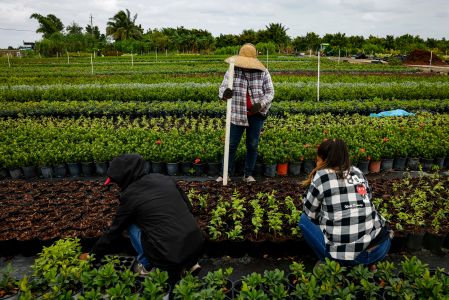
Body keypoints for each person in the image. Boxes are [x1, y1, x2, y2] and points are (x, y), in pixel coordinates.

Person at [80, 154, 204, 276]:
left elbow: (113, 232)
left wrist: (93, 257)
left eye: (117, 182)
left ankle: (146, 266)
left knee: (130, 224)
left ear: (124, 178)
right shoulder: (164, 178)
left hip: (169, 256)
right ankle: (191, 264)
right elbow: (189, 207)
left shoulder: (131, 196)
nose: (117, 186)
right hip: (197, 244)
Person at [299, 139, 392, 267]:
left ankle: (331, 265)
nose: (317, 163)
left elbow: (310, 213)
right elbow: (367, 197)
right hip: (380, 247)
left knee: (304, 220)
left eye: (318, 159)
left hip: (346, 257)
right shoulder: (357, 171)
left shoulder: (322, 176)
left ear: (324, 160)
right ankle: (370, 264)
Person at [217, 43, 274, 183]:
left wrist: (260, 105)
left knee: (253, 144)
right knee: (231, 145)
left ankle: (248, 174)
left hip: (256, 115)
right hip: (236, 114)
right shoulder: (232, 70)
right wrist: (225, 94)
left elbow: (270, 93)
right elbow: (222, 89)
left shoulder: (263, 72)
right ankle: (225, 174)